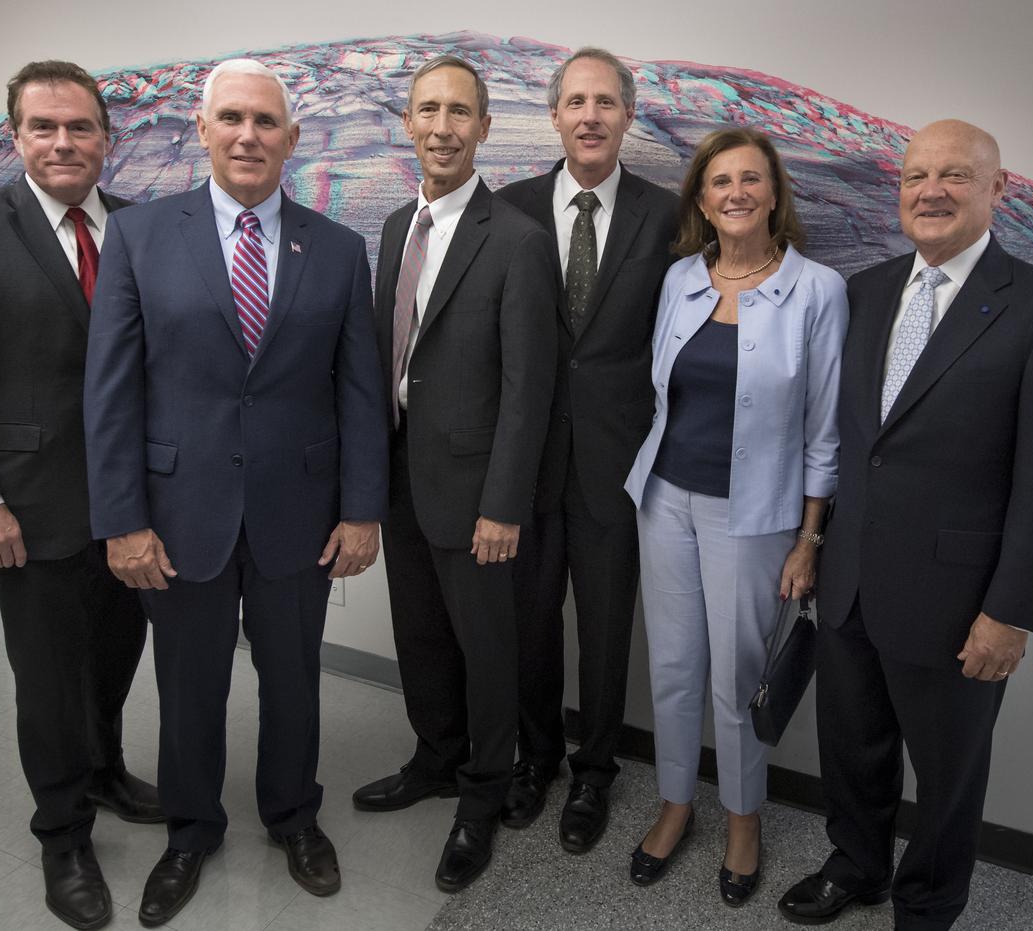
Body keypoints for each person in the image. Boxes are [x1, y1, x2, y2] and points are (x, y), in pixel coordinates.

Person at [82, 58, 388, 926]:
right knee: (188, 686)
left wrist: (363, 509)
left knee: (294, 680)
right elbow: (111, 392)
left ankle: (294, 815)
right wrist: (122, 520)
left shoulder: (337, 247)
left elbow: (360, 391)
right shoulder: (139, 236)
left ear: (293, 139)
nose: (248, 135)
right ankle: (190, 829)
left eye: (265, 121)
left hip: (301, 511)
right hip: (180, 513)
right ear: (203, 130)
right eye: (231, 119)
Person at [777, 119, 1033, 929]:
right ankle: (857, 864)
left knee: (948, 774)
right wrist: (815, 544)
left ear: (998, 188)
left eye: (954, 175)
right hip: (851, 582)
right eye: (915, 176)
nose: (930, 191)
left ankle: (927, 906)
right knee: (852, 749)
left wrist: (1011, 611)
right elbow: (858, 444)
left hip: (960, 604)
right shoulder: (865, 291)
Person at [0, 59, 161, 931]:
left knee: (115, 655)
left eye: (80, 126)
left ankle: (106, 769)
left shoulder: (137, 228)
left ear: (106, 138)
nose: (63, 142)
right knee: (49, 681)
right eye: (43, 127)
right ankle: (63, 833)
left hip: (129, 508)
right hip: (27, 507)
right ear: (15, 138)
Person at [623, 128, 847, 905]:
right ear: (701, 199)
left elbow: (824, 431)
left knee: (738, 679)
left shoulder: (817, 291)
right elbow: (662, 395)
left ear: (775, 193)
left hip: (753, 518)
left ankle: (743, 819)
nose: (736, 193)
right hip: (664, 499)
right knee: (673, 668)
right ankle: (675, 803)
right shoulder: (681, 277)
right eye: (720, 181)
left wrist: (810, 538)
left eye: (751, 179)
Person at [351, 55, 557, 892]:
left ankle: (482, 796)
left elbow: (528, 389)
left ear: (484, 127)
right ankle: (434, 759)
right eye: (429, 110)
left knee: (487, 650)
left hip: (477, 495)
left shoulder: (517, 240)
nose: (443, 127)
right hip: (402, 478)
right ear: (408, 122)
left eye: (460, 112)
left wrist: (504, 504)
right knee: (420, 635)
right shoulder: (395, 227)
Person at [495, 47, 679, 852]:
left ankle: (594, 771)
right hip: (525, 462)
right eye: (576, 101)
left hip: (617, 464)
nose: (591, 116)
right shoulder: (508, 209)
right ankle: (536, 757)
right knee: (529, 622)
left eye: (606, 102)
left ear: (627, 116)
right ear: (555, 115)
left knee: (606, 630)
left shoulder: (667, 216)